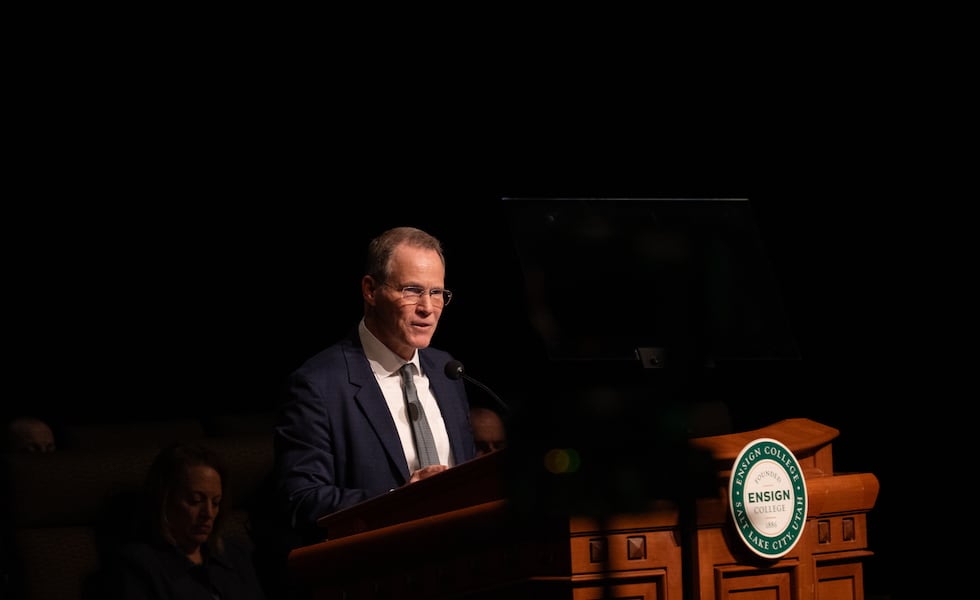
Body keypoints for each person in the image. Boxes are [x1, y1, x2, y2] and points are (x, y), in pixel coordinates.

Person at [270, 226, 478, 546]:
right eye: (412, 290)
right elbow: (302, 500)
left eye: (437, 293)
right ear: (370, 290)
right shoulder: (318, 385)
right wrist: (399, 501)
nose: (427, 308)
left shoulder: (448, 371)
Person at [103, 442, 266, 600]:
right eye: (195, 501)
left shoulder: (236, 554)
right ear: (165, 501)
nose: (208, 513)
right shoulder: (138, 566)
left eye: (216, 503)